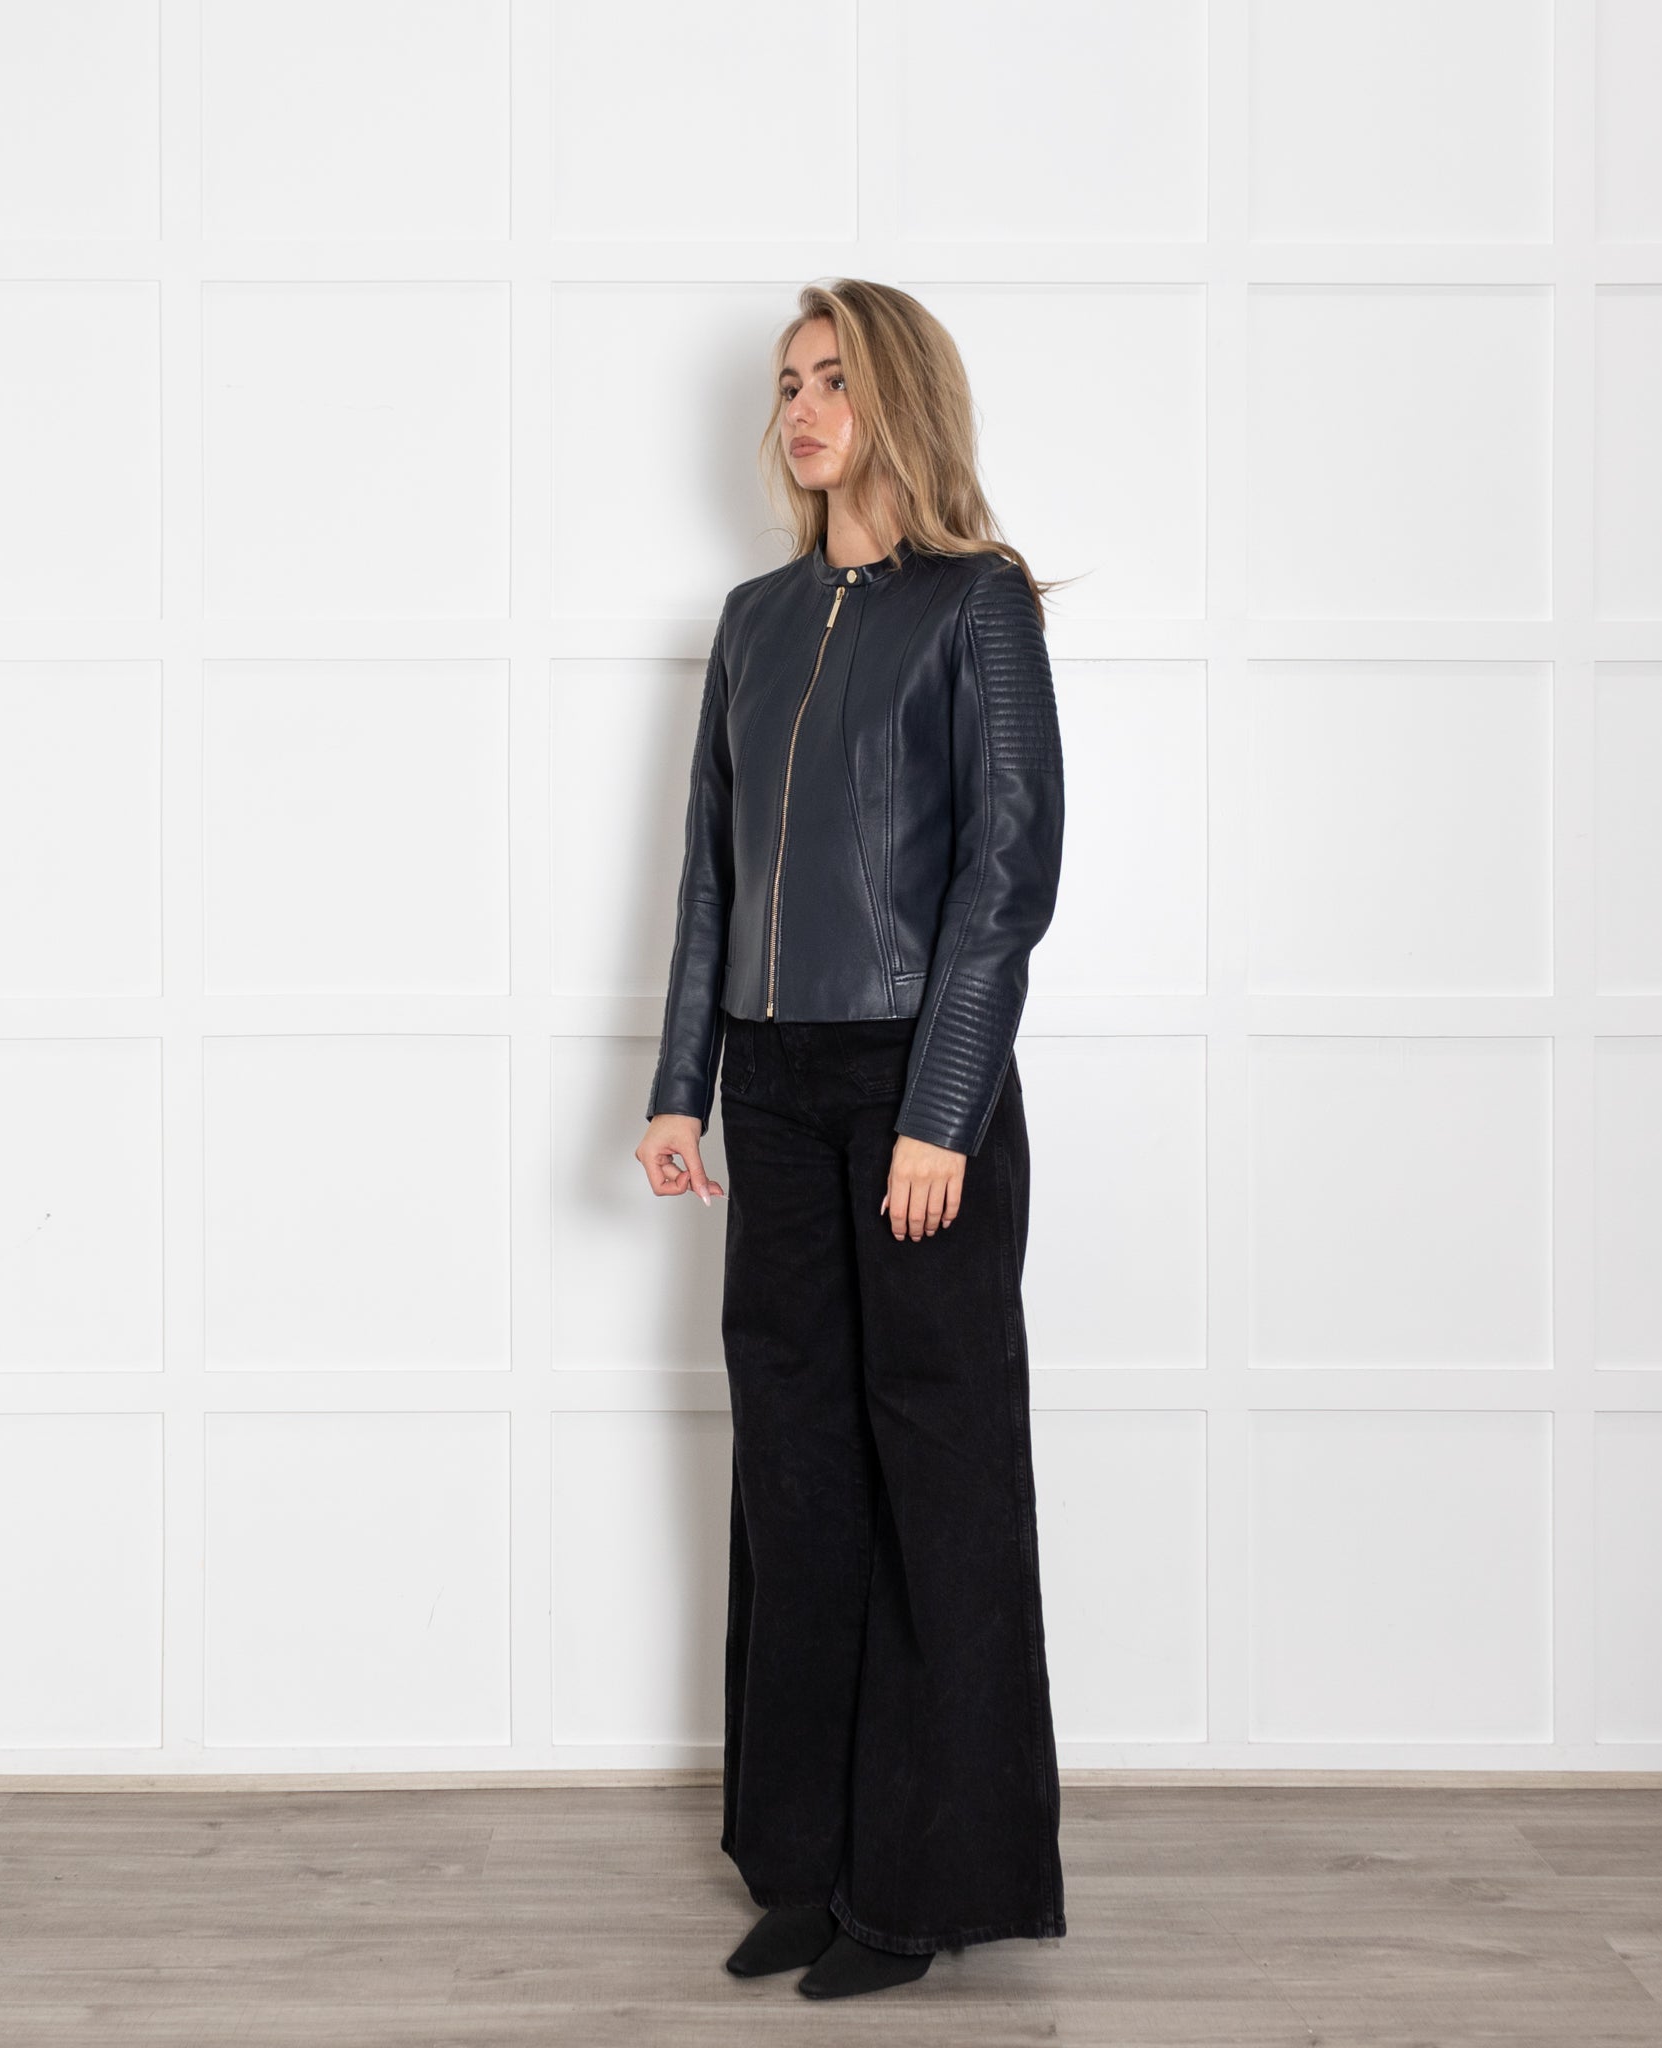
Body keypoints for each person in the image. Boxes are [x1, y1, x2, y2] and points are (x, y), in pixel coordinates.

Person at [634, 278, 1068, 2002]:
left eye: (835, 380)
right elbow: (710, 871)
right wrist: (681, 1084)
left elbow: (1005, 877)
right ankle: (807, 1863)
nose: (803, 410)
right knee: (798, 1480)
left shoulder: (980, 606)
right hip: (771, 1082)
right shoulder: (752, 621)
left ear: (901, 403)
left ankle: (922, 1886)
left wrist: (941, 1106)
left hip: (911, 1092)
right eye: (789, 383)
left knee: (934, 1488)